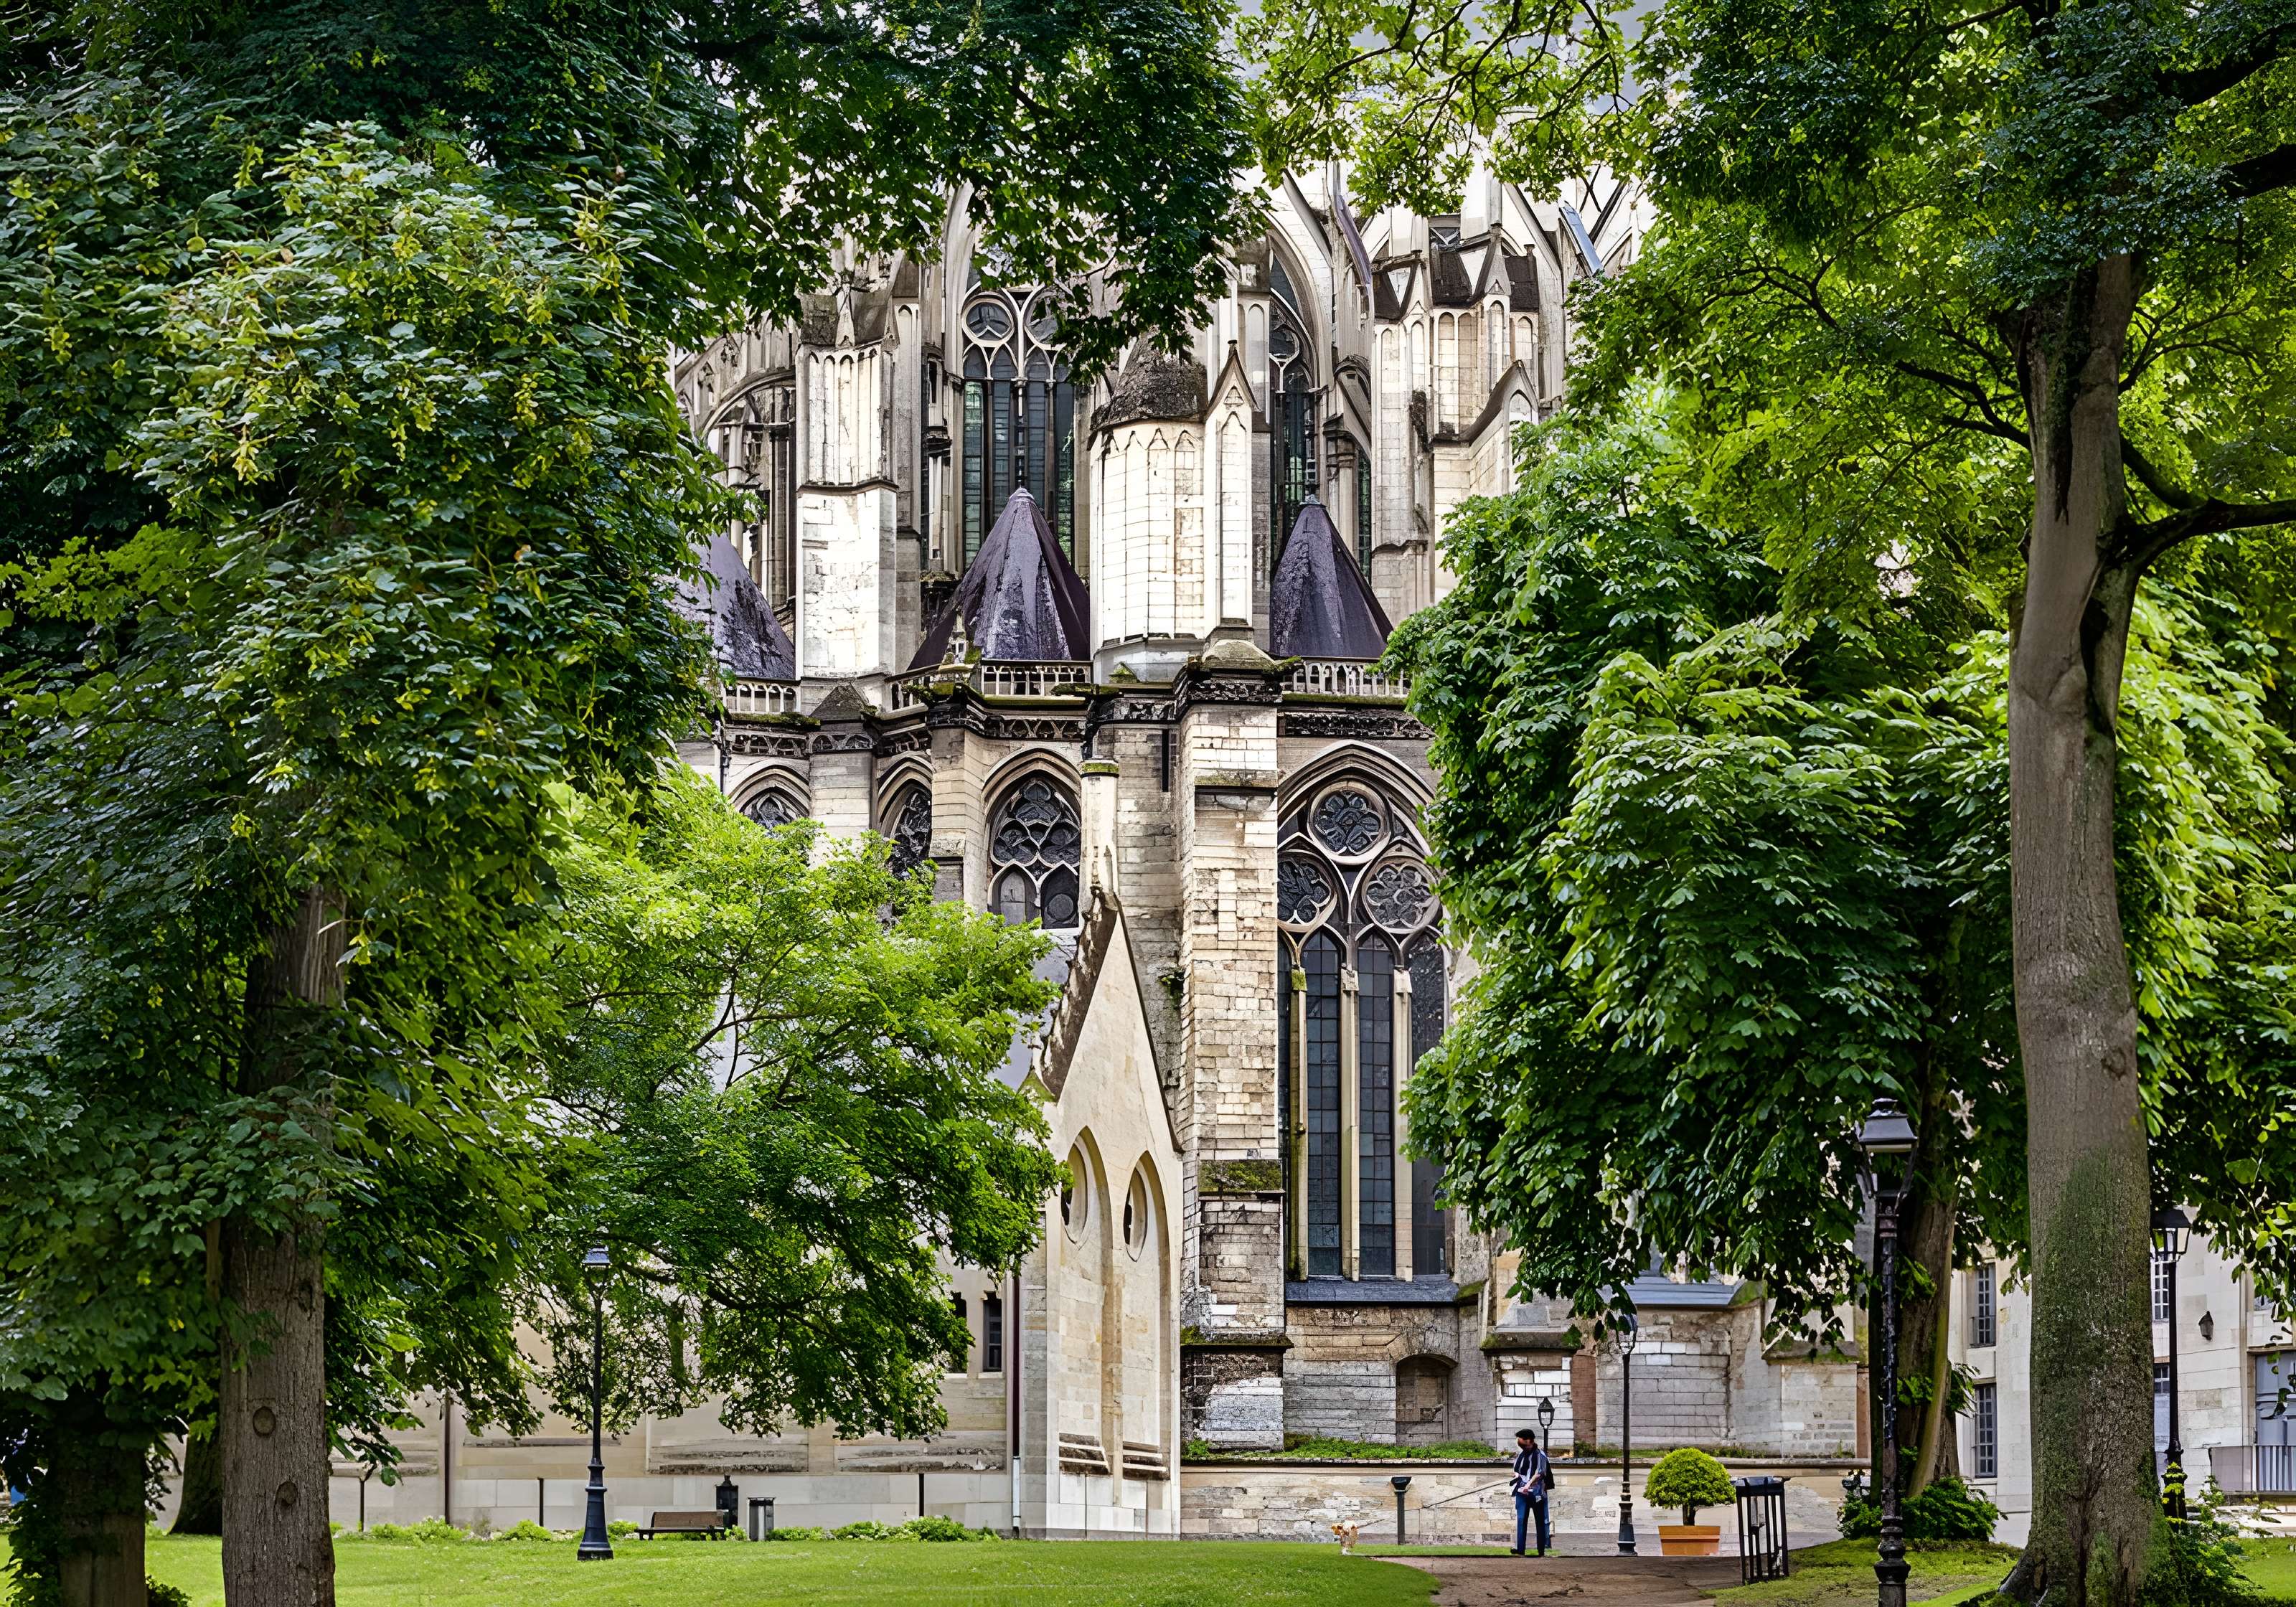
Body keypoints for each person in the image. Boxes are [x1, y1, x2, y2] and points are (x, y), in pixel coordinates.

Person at [1510, 1426, 1552, 1557]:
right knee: (1521, 1519)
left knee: (1540, 1521)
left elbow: (1539, 1473)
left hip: (1537, 1493)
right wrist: (1517, 1476)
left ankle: (1541, 1550)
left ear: (1529, 1440)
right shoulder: (1521, 1455)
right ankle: (1520, 1548)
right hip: (1521, 1493)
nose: (1519, 1442)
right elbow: (1518, 1470)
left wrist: (1528, 1485)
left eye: (1521, 1440)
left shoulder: (1540, 1455)